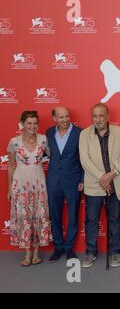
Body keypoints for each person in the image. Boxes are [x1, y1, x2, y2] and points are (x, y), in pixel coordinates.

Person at [79, 103, 120, 268]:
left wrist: (111, 175)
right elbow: (85, 160)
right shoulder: (84, 134)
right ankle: (91, 251)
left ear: (108, 116)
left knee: (115, 219)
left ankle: (114, 251)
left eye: (101, 115)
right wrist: (103, 178)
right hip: (95, 185)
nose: (98, 119)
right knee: (91, 220)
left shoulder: (119, 132)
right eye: (94, 116)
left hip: (115, 182)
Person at [7, 110, 52, 266]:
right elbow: (11, 167)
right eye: (29, 123)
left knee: (39, 216)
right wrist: (9, 189)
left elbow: (53, 157)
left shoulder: (44, 140)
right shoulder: (14, 142)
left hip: (39, 184)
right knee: (24, 218)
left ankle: (36, 254)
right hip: (20, 185)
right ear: (22, 124)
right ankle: (27, 255)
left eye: (35, 123)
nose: (32, 126)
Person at [46, 106, 83, 262]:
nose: (65, 120)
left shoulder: (79, 133)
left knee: (73, 214)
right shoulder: (48, 133)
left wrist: (82, 179)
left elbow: (84, 158)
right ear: (54, 118)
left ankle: (69, 248)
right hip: (54, 180)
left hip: (73, 180)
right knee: (54, 215)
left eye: (67, 116)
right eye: (61, 117)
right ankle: (58, 247)